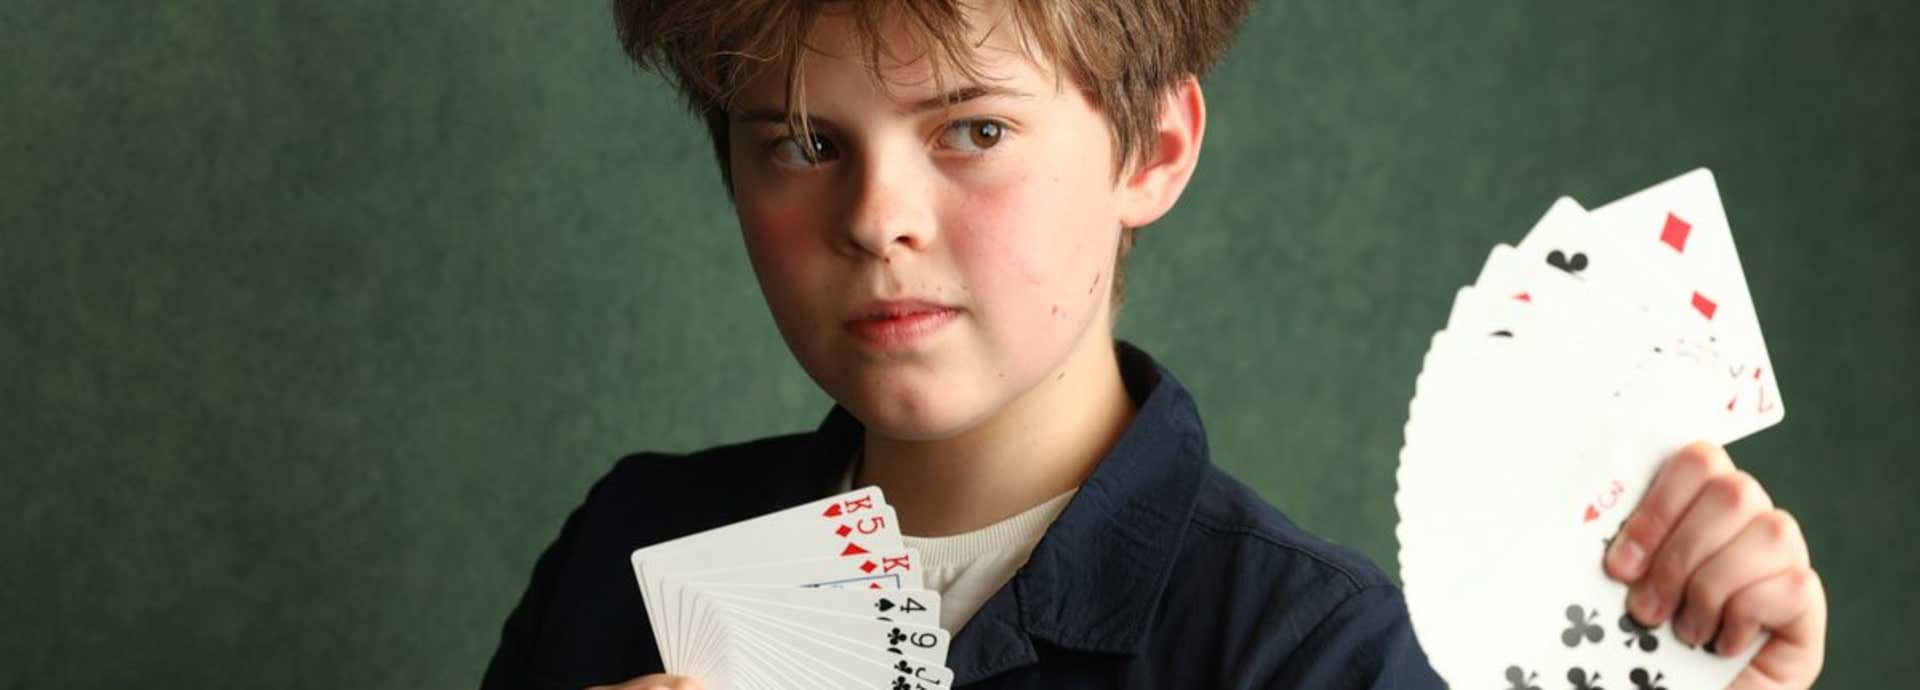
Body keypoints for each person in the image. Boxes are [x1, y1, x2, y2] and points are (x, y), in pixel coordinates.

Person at [482, 1, 1827, 687]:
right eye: (802, 143)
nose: (878, 218)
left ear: (1155, 147)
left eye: (973, 130)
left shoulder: (1310, 656)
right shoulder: (627, 550)